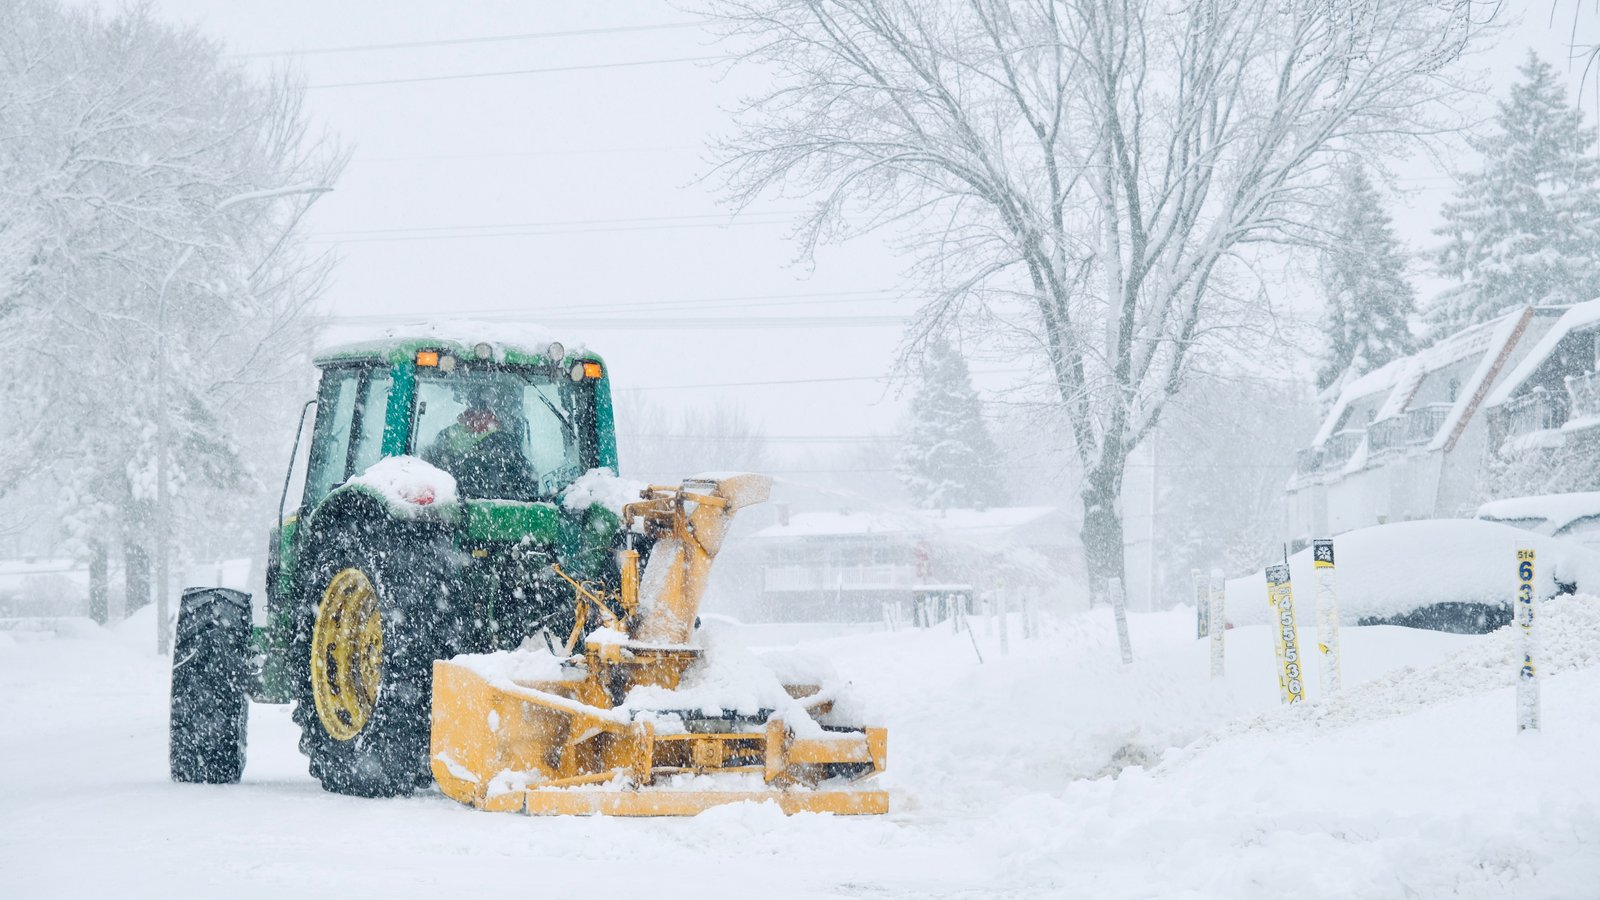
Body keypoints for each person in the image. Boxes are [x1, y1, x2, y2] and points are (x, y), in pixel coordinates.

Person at [423, 382, 533, 498]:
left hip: (456, 504)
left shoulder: (446, 435)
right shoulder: (505, 441)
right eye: (478, 409)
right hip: (481, 504)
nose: (479, 415)